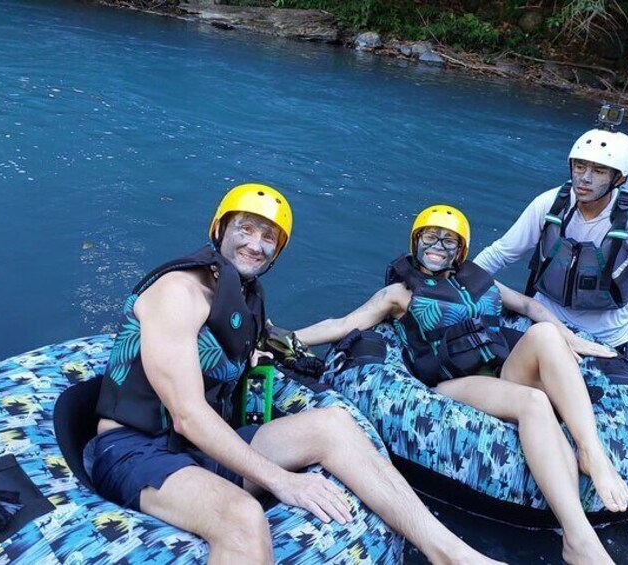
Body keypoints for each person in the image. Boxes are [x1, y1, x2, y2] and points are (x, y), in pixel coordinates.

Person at [88, 184, 501, 565]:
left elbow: (268, 349)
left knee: (334, 425)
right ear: (219, 229)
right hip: (135, 450)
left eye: (269, 237)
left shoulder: (243, 295)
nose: (255, 244)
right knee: (243, 517)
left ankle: (451, 552)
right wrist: (282, 481)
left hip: (199, 448)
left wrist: (348, 325)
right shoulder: (179, 292)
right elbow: (187, 415)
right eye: (245, 229)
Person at [296, 204, 628, 565]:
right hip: (453, 385)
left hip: (499, 373)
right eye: (430, 237)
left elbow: (530, 307)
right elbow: (343, 324)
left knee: (546, 334)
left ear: (462, 250)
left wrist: (570, 337)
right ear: (415, 241)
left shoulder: (480, 279)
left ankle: (590, 450)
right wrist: (282, 337)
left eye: (448, 240)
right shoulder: (399, 294)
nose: (438, 245)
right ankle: (578, 538)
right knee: (534, 402)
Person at [474, 119, 628, 401]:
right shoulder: (550, 203)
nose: (585, 178)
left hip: (605, 337)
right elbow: (501, 253)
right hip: (542, 324)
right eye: (580, 166)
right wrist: (458, 286)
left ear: (620, 178)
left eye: (599, 170)